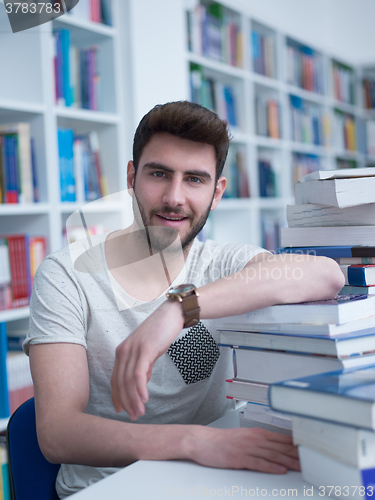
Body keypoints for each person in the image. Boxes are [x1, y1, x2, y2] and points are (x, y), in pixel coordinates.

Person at [24, 101, 345, 498]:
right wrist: (194, 442)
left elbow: (327, 275)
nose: (174, 197)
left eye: (194, 179)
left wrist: (177, 310)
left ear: (217, 192)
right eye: (159, 174)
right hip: (106, 488)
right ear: (131, 177)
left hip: (211, 480)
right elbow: (58, 433)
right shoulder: (66, 274)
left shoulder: (222, 265)